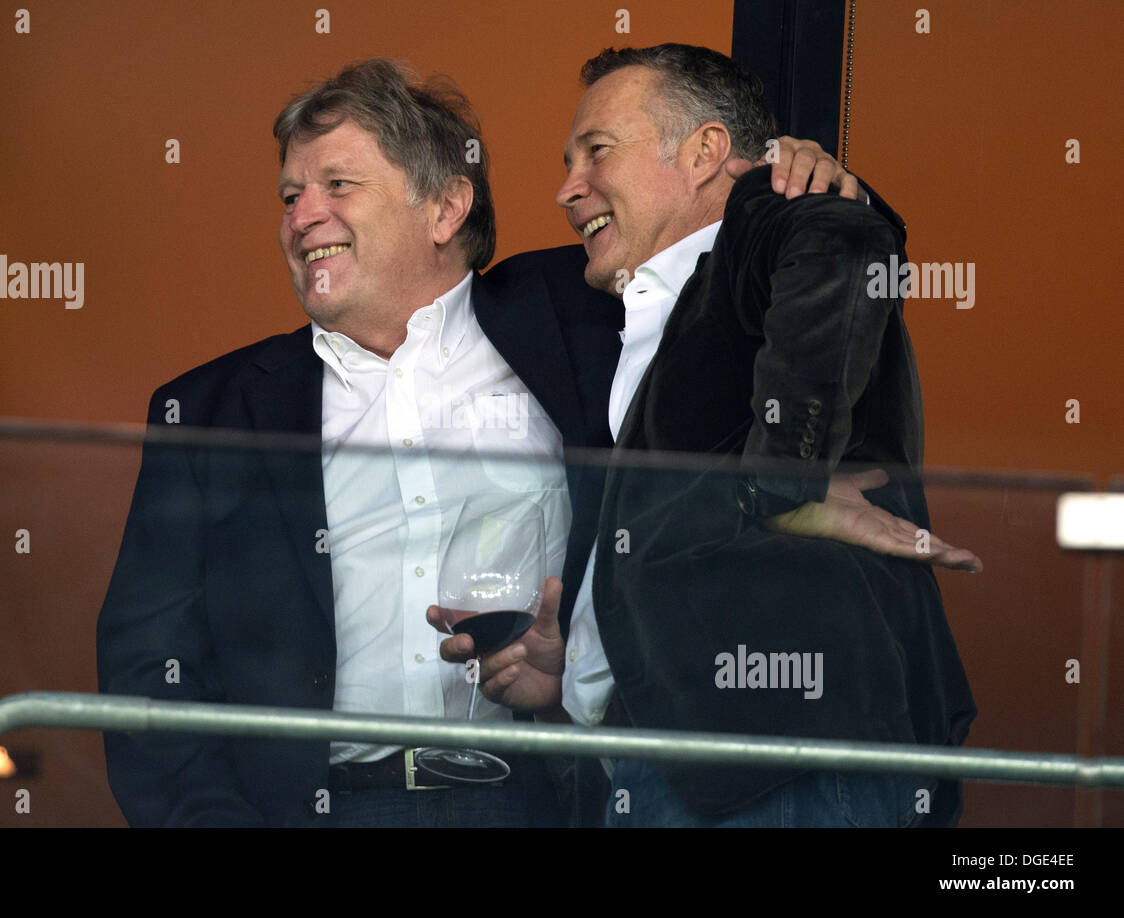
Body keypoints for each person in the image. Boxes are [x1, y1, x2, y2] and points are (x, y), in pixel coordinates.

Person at [97, 57, 897, 827]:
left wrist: (789, 177)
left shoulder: (586, 310)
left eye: (337, 185)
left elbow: (738, 241)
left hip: (542, 801)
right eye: (290, 195)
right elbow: (147, 671)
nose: (303, 215)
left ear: (447, 208)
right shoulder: (209, 411)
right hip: (306, 810)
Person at [433, 44, 978, 828]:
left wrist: (778, 492)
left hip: (781, 760)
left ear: (704, 153)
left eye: (597, 151)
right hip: (671, 768)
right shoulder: (653, 313)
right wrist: (578, 668)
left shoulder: (769, 220)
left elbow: (845, 246)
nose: (567, 188)